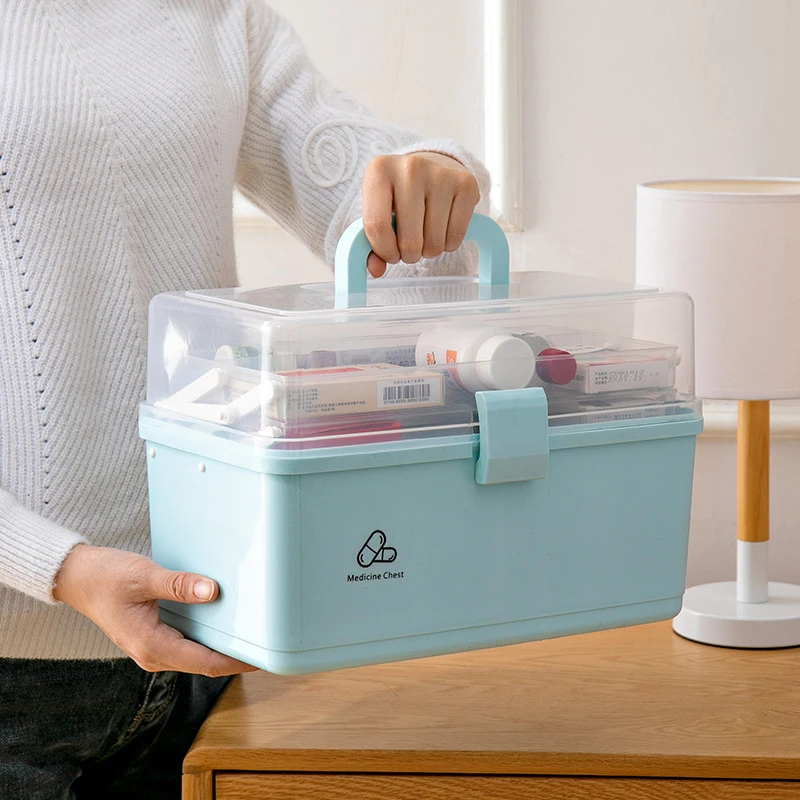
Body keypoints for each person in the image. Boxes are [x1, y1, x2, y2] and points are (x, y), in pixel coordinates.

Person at [0, 1, 489, 797]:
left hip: (213, 635)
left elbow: (393, 244)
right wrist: (57, 569)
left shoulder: (216, 16)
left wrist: (427, 183)